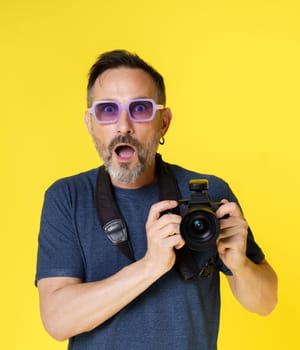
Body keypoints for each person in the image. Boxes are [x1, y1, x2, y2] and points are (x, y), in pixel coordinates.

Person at [35, 50, 278, 350]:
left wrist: (240, 265)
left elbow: (266, 302)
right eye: (107, 111)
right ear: (90, 123)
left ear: (164, 122)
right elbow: (58, 320)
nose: (123, 125)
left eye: (140, 109)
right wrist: (151, 266)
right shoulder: (68, 198)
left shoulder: (209, 193)